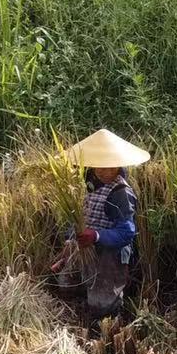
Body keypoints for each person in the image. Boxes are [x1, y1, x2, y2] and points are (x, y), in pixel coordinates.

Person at [60, 128, 147, 318]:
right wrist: (70, 239)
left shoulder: (121, 193)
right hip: (83, 245)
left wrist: (96, 235)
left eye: (111, 166)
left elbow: (126, 232)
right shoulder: (83, 184)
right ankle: (76, 323)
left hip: (111, 253)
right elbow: (76, 214)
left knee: (103, 302)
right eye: (100, 166)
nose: (106, 171)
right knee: (69, 285)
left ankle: (105, 332)